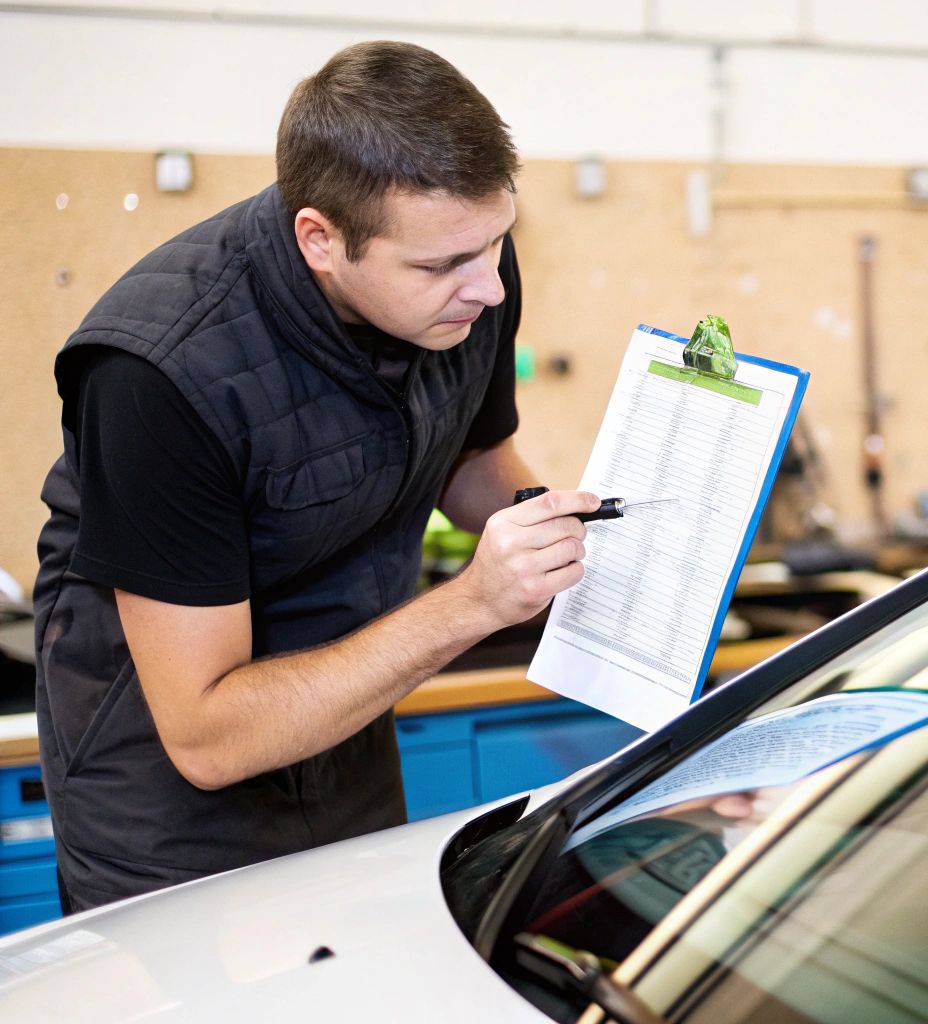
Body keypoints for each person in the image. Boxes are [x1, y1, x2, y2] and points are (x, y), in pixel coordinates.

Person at [32, 40, 599, 912]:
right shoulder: (160, 375)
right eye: (444, 265)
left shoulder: (466, 267)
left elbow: (476, 461)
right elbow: (209, 736)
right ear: (321, 240)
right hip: (171, 813)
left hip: (346, 744)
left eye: (497, 242)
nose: (487, 287)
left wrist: (576, 542)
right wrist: (478, 601)